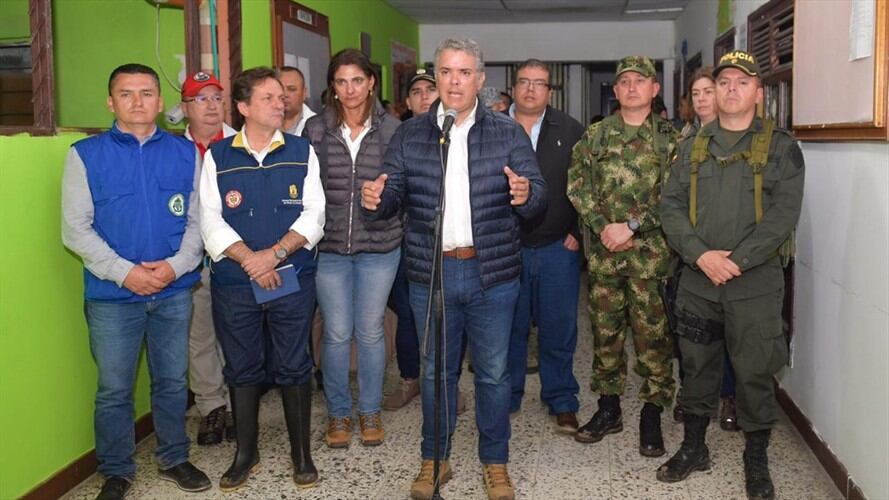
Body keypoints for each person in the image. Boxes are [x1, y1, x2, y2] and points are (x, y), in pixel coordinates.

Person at [362, 38, 546, 500]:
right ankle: (435, 458)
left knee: (493, 374)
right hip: (433, 276)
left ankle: (495, 462)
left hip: (492, 275)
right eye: (446, 72)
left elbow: (537, 191)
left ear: (480, 80)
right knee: (435, 373)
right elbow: (391, 194)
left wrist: (527, 194)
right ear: (436, 79)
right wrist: (375, 200)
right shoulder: (411, 134)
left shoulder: (507, 132)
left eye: (464, 72)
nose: (455, 81)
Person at [656, 51, 804, 500]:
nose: (732, 89)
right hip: (700, 282)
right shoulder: (693, 146)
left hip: (754, 283)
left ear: (759, 92)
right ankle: (695, 446)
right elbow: (671, 206)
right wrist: (702, 256)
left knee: (754, 371)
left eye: (742, 81)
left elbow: (782, 216)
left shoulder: (782, 148)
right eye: (723, 83)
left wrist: (734, 261)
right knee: (697, 367)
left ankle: (755, 458)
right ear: (714, 92)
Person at [61, 63, 211, 500]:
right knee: (114, 389)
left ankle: (174, 457)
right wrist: (126, 273)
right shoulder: (85, 154)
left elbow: (199, 224)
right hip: (112, 296)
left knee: (170, 380)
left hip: (173, 289)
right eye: (126, 94)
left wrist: (174, 267)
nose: (138, 101)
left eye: (147, 93)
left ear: (161, 104)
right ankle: (116, 471)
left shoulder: (187, 154)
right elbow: (76, 229)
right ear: (111, 102)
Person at [199, 67, 325, 491]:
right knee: (243, 367)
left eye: (281, 97)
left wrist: (273, 255)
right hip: (235, 283)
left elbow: (314, 214)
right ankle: (245, 454)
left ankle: (301, 454)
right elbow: (210, 219)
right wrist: (249, 260)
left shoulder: (302, 150)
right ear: (243, 107)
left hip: (292, 276)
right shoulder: (217, 156)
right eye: (269, 97)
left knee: (294, 364)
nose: (280, 103)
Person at [567, 56, 677, 457]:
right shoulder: (595, 137)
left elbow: (676, 198)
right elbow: (577, 187)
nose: (631, 87)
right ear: (614, 92)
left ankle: (651, 413)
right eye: (624, 82)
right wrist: (603, 227)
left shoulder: (670, 140)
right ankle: (608, 408)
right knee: (606, 336)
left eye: (640, 81)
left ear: (654, 89)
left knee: (653, 341)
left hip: (650, 260)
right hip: (605, 259)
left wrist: (630, 227)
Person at [302, 48, 403, 449]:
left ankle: (370, 411)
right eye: (341, 82)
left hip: (380, 246)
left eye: (357, 80)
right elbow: (306, 191)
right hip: (329, 247)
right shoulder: (315, 131)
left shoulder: (395, 130)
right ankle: (339, 414)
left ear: (371, 82)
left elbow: (404, 186)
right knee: (337, 332)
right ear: (332, 86)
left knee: (371, 330)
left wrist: (385, 195)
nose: (350, 90)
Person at [506, 58, 585, 433]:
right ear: (514, 87)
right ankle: (508, 394)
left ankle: (561, 399)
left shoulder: (569, 130)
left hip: (557, 247)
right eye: (524, 81)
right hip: (505, 249)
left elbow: (588, 187)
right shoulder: (491, 128)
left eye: (539, 83)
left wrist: (580, 233)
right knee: (509, 328)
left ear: (549, 91)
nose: (531, 89)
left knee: (558, 328)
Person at [673, 67, 740, 432]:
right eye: (695, 93)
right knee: (692, 332)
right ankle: (693, 395)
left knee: (730, 331)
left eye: (707, 91)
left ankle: (729, 394)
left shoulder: (738, 139)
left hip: (730, 254)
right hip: (690, 253)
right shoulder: (685, 139)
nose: (701, 98)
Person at [179, 70, 238, 447]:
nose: (212, 106)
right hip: (195, 262)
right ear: (185, 108)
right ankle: (213, 407)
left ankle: (240, 404)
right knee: (199, 336)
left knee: (237, 335)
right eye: (201, 99)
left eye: (217, 98)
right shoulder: (172, 151)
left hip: (237, 258)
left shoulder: (242, 143)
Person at [383, 68, 438, 411]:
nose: (423, 96)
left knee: (443, 315)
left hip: (444, 242)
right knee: (406, 311)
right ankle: (410, 379)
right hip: (404, 239)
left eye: (430, 89)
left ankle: (443, 382)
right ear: (407, 101)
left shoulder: (455, 133)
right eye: (416, 91)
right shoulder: (398, 136)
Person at [279, 66, 316, 136]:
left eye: (291, 89)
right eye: (280, 88)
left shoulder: (319, 126)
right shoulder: (262, 122)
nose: (285, 94)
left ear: (304, 93)